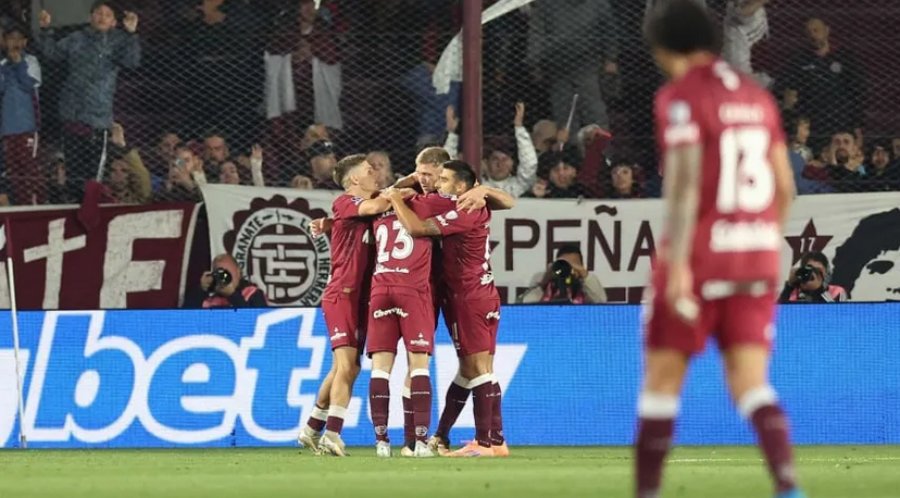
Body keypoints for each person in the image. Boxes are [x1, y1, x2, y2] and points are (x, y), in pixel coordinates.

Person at [639, 3, 804, 498]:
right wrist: (762, 242)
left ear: (663, 47)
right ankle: (788, 486)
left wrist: (681, 265)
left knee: (661, 387)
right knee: (752, 385)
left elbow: (686, 185)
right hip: (754, 257)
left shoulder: (681, 97)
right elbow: (785, 187)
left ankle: (647, 493)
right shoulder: (757, 97)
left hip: (701, 255)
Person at [387, 160, 512, 458]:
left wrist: (393, 198)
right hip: (483, 293)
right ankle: (477, 438)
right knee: (472, 369)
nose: (439, 184)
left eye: (443, 179)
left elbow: (417, 228)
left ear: (459, 186)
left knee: (479, 370)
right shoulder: (475, 203)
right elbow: (506, 201)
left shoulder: (461, 209)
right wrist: (482, 189)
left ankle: (484, 444)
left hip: (467, 297)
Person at [297, 154, 392, 457]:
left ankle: (312, 429)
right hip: (342, 295)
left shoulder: (366, 209)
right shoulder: (345, 202)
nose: (374, 172)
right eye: (368, 170)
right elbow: (377, 205)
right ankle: (333, 434)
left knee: (345, 367)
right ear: (354, 180)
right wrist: (405, 190)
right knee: (347, 365)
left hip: (362, 299)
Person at [37, 2, 140, 197]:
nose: (102, 17)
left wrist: (131, 34)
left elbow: (132, 62)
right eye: (98, 13)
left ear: (114, 21)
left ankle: (91, 217)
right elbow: (52, 54)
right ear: (91, 17)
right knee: (74, 174)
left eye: (107, 14)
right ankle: (75, 215)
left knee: (94, 178)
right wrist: (46, 30)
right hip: (72, 112)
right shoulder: (77, 38)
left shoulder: (119, 39)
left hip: (99, 118)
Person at [0, 23, 43, 205]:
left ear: (25, 42)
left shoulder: (31, 61)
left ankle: (35, 205)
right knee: (13, 170)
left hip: (27, 126)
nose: (15, 42)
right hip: (7, 128)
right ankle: (20, 205)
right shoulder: (1, 64)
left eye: (19, 38)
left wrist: (18, 64)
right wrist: (8, 66)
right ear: (5, 42)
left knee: (30, 169)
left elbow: (29, 85)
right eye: (11, 38)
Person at [520, 244, 607, 304]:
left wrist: (584, 274)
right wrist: (545, 281)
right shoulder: (543, 280)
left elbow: (601, 302)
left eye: (574, 264)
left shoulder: (587, 284)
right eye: (564, 264)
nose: (568, 269)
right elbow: (526, 304)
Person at [183, 254, 268, 308]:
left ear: (238, 272)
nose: (224, 277)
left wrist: (232, 295)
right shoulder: (209, 298)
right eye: (220, 273)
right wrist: (201, 290)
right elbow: (185, 318)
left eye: (227, 272)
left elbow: (255, 322)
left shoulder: (253, 294)